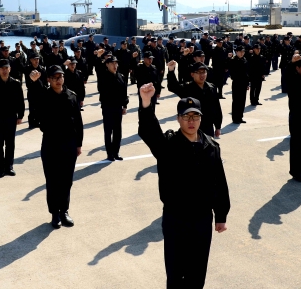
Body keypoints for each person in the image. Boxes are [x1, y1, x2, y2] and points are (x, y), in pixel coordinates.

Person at [138, 85, 230, 288]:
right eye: (186, 116)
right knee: (176, 272)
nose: (191, 121)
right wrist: (146, 103)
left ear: (201, 119)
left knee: (197, 272)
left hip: (202, 219)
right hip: (176, 219)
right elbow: (149, 131)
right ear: (178, 119)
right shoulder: (168, 145)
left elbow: (219, 183)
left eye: (195, 117)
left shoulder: (211, 147)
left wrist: (221, 215)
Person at [31, 65, 83, 229]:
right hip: (51, 143)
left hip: (69, 144)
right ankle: (54, 213)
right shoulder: (44, 96)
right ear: (49, 80)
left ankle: (64, 211)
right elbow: (35, 113)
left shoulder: (72, 96)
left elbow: (79, 123)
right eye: (55, 77)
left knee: (66, 180)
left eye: (60, 76)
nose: (59, 80)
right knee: (53, 180)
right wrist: (34, 84)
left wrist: (79, 144)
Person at [0, 59, 25, 177]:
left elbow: (20, 101)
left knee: (10, 143)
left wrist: (20, 116)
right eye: (2, 68)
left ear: (10, 69)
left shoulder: (16, 83)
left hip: (11, 117)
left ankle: (9, 166)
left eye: (6, 68)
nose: (4, 70)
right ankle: (0, 168)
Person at [167, 60, 222, 137]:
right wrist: (171, 70)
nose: (202, 75)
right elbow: (173, 87)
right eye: (199, 72)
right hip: (192, 125)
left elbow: (217, 108)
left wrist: (218, 126)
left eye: (204, 72)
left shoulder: (211, 88)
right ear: (192, 74)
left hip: (208, 126)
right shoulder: (187, 88)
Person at [96, 56, 129, 160]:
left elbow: (124, 92)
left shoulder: (121, 76)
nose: (115, 65)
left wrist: (124, 106)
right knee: (108, 131)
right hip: (108, 108)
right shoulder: (103, 76)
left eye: (116, 63)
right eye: (112, 63)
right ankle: (109, 153)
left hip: (118, 108)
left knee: (117, 131)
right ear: (107, 64)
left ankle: (116, 152)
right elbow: (101, 88)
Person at [228, 46, 250, 124]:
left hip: (244, 83)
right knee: (236, 101)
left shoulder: (244, 60)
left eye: (243, 52)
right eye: (240, 52)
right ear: (236, 52)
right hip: (237, 83)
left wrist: (247, 83)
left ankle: (240, 117)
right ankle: (235, 118)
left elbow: (247, 73)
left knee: (242, 101)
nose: (242, 53)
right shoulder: (233, 60)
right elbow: (231, 71)